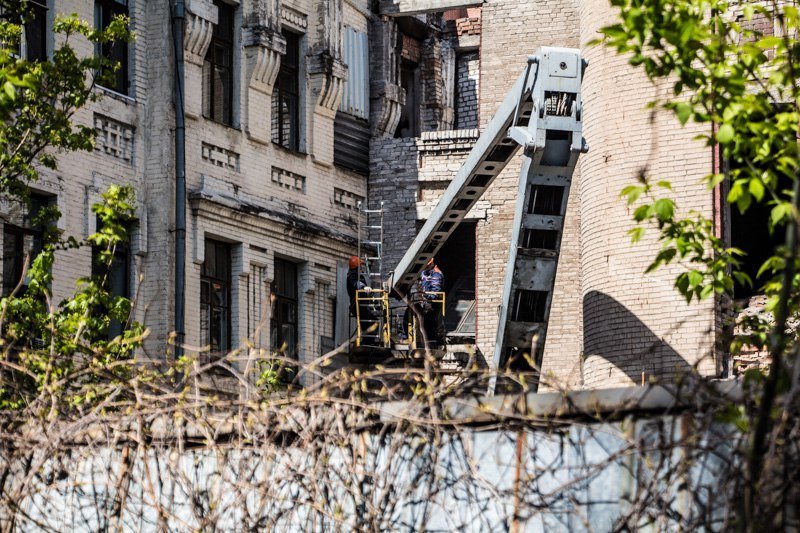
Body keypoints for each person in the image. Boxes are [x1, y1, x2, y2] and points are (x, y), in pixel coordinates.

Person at [403, 257, 445, 347]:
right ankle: (408, 337)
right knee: (409, 312)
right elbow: (418, 278)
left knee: (428, 321)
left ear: (431, 264)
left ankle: (432, 343)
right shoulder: (424, 272)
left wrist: (425, 295)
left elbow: (435, 293)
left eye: (427, 265)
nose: (425, 267)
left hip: (433, 302)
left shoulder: (436, 275)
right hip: (425, 301)